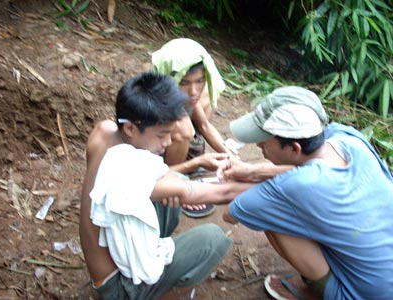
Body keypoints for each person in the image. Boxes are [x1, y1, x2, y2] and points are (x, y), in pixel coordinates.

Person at [79, 72, 253, 300]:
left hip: (101, 262)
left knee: (174, 185)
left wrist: (198, 162)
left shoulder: (105, 131)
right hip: (118, 287)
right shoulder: (131, 169)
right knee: (212, 239)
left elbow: (145, 183)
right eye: (162, 134)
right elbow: (216, 192)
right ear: (131, 128)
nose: (168, 142)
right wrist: (272, 187)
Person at [220, 86, 393, 300]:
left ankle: (317, 290)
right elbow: (313, 167)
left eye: (264, 141)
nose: (258, 145)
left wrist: (252, 182)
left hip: (360, 295)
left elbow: (231, 213)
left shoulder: (297, 184)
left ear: (294, 148)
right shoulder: (349, 139)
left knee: (270, 215)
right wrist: (253, 171)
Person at [151, 38, 232, 217]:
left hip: (179, 147)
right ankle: (174, 182)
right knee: (183, 128)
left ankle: (187, 161)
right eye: (185, 83)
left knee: (205, 98)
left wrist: (233, 159)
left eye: (200, 80)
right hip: (158, 163)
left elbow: (204, 125)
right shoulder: (151, 98)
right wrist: (197, 163)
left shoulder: (186, 92)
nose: (193, 90)